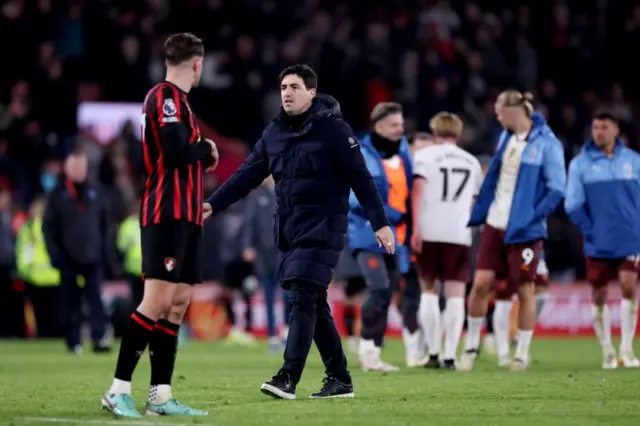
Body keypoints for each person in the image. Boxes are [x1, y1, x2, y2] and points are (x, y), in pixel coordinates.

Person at [204, 64, 394, 399]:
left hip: (324, 228)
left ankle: (288, 376)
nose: (287, 93)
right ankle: (340, 379)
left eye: (294, 87)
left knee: (302, 297)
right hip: (290, 231)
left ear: (311, 93)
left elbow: (360, 179)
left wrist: (380, 223)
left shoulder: (334, 131)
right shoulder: (274, 133)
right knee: (314, 303)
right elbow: (246, 175)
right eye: (283, 88)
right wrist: (212, 204)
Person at [102, 33, 218, 418]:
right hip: (164, 213)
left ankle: (161, 397)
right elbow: (176, 151)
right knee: (156, 301)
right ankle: (117, 389)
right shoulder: (165, 96)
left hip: (187, 214)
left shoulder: (182, 102)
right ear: (197, 63)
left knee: (178, 303)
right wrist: (207, 150)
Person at [459, 91, 566, 372]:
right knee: (481, 283)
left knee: (525, 289)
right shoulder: (505, 138)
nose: (497, 116)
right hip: (494, 223)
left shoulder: (547, 143)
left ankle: (521, 353)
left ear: (514, 111)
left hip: (525, 229)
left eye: (499, 111)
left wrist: (533, 216)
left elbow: (557, 188)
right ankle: (471, 347)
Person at [565, 112, 640, 369]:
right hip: (598, 239)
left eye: (604, 127)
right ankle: (607, 349)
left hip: (630, 238)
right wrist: (590, 229)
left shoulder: (633, 161)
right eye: (595, 127)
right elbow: (573, 204)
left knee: (629, 285)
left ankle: (627, 350)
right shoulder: (580, 164)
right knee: (599, 294)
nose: (599, 132)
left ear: (616, 130)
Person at [410, 113, 483, 370]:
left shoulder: (424, 157)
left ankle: (433, 352)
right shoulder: (472, 162)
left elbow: (417, 193)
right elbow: (475, 201)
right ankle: (451, 355)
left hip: (429, 229)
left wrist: (415, 229)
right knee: (455, 295)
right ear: (459, 133)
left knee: (428, 290)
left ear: (434, 132)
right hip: (459, 233)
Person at [347, 102, 412, 373]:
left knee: (386, 292)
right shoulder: (361, 152)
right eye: (395, 125)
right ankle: (366, 350)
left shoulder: (403, 153)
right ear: (379, 127)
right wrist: (393, 214)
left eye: (401, 125)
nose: (400, 130)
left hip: (396, 238)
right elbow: (354, 197)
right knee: (378, 287)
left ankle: (373, 353)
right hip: (367, 233)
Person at [43, 151, 114, 354]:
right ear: (67, 169)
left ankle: (99, 338)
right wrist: (54, 253)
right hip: (67, 257)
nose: (78, 171)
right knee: (70, 301)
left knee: (95, 300)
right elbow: (49, 228)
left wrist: (106, 253)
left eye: (81, 167)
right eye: (74, 167)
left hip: (93, 256)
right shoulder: (57, 194)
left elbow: (106, 225)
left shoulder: (97, 192)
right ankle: (73, 341)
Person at [240, 175, 290, 351]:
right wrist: (247, 246)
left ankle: (286, 330)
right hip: (263, 252)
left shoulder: (287, 194)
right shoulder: (257, 197)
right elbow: (249, 223)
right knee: (268, 294)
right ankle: (272, 336)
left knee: (287, 293)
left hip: (284, 250)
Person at [402, 132, 434, 368]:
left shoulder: (436, 179)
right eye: (419, 150)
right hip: (405, 244)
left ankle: (428, 346)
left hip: (434, 242)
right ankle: (413, 348)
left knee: (433, 297)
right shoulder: (402, 176)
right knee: (411, 296)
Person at [16, 196, 61, 338]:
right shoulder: (55, 227)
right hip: (53, 278)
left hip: (37, 279)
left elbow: (23, 253)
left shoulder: (28, 229)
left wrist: (24, 273)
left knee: (42, 320)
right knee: (55, 321)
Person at [117, 200, 143, 308]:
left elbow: (121, 247)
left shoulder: (128, 224)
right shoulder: (128, 225)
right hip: (135, 269)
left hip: (146, 269)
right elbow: (121, 247)